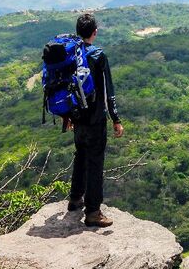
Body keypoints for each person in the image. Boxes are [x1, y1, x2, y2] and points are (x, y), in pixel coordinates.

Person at [67, 13, 124, 227]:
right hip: (95, 119)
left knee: (80, 155)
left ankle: (75, 199)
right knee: (95, 162)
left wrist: (68, 116)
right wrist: (116, 119)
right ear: (95, 32)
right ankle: (93, 212)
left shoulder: (71, 53)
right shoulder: (98, 56)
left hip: (77, 118)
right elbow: (109, 91)